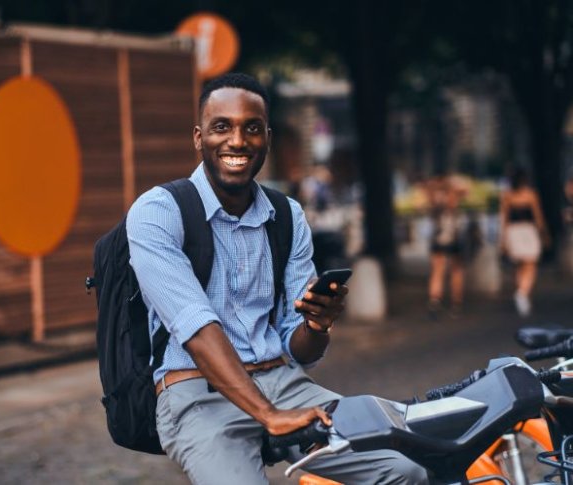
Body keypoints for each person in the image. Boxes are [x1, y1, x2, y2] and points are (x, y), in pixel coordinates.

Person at [126, 73, 428, 484]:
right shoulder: (158, 212)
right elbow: (195, 325)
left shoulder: (286, 216)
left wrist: (317, 324)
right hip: (197, 395)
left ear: (266, 138)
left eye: (251, 128)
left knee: (406, 469)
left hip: (283, 382)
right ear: (199, 138)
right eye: (222, 127)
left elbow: (299, 348)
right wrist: (268, 415)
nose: (237, 140)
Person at [499, 168, 550, 317]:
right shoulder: (531, 195)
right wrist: (544, 233)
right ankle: (522, 293)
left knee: (521, 265)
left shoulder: (507, 196)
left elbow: (504, 219)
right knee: (530, 263)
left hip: (513, 232)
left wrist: (503, 240)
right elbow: (538, 216)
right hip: (528, 231)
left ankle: (522, 293)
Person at [424, 173, 469, 319]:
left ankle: (435, 301)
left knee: (437, 270)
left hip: (438, 236)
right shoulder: (452, 195)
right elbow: (466, 191)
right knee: (456, 270)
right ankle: (457, 303)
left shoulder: (433, 196)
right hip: (453, 234)